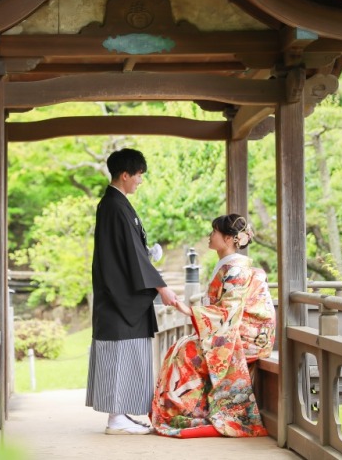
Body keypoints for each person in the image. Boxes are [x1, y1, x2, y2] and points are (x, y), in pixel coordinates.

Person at [150, 214, 276, 438]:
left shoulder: (237, 269)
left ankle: (189, 412)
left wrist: (190, 311)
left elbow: (228, 310)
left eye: (214, 232)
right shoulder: (229, 265)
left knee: (188, 351)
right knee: (182, 346)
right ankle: (186, 410)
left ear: (228, 239)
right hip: (232, 328)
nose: (210, 235)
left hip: (247, 334)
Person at [86, 148, 179, 435]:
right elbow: (130, 255)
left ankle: (120, 414)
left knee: (123, 357)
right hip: (120, 298)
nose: (140, 180)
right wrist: (161, 287)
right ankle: (116, 418)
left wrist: (147, 253)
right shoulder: (114, 206)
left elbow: (132, 251)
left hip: (120, 294)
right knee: (120, 356)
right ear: (124, 175)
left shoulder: (115, 204)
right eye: (138, 175)